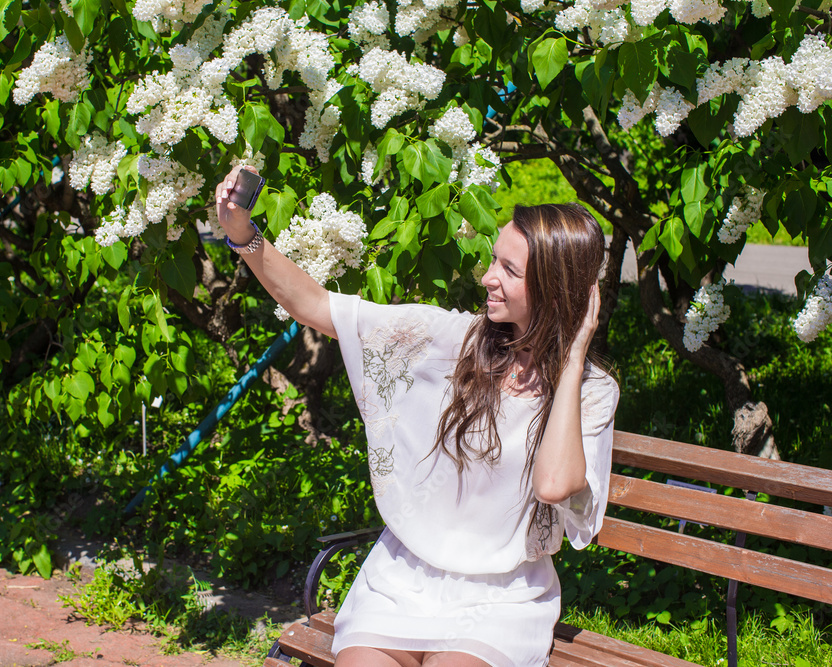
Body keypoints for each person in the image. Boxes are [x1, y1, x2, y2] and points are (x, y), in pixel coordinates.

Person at [215, 166, 619, 667]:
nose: (488, 277)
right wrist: (243, 234)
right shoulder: (454, 341)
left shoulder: (591, 391)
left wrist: (573, 358)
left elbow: (555, 486)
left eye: (509, 270)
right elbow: (317, 305)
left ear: (555, 290)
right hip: (404, 581)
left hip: (500, 601)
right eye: (495, 260)